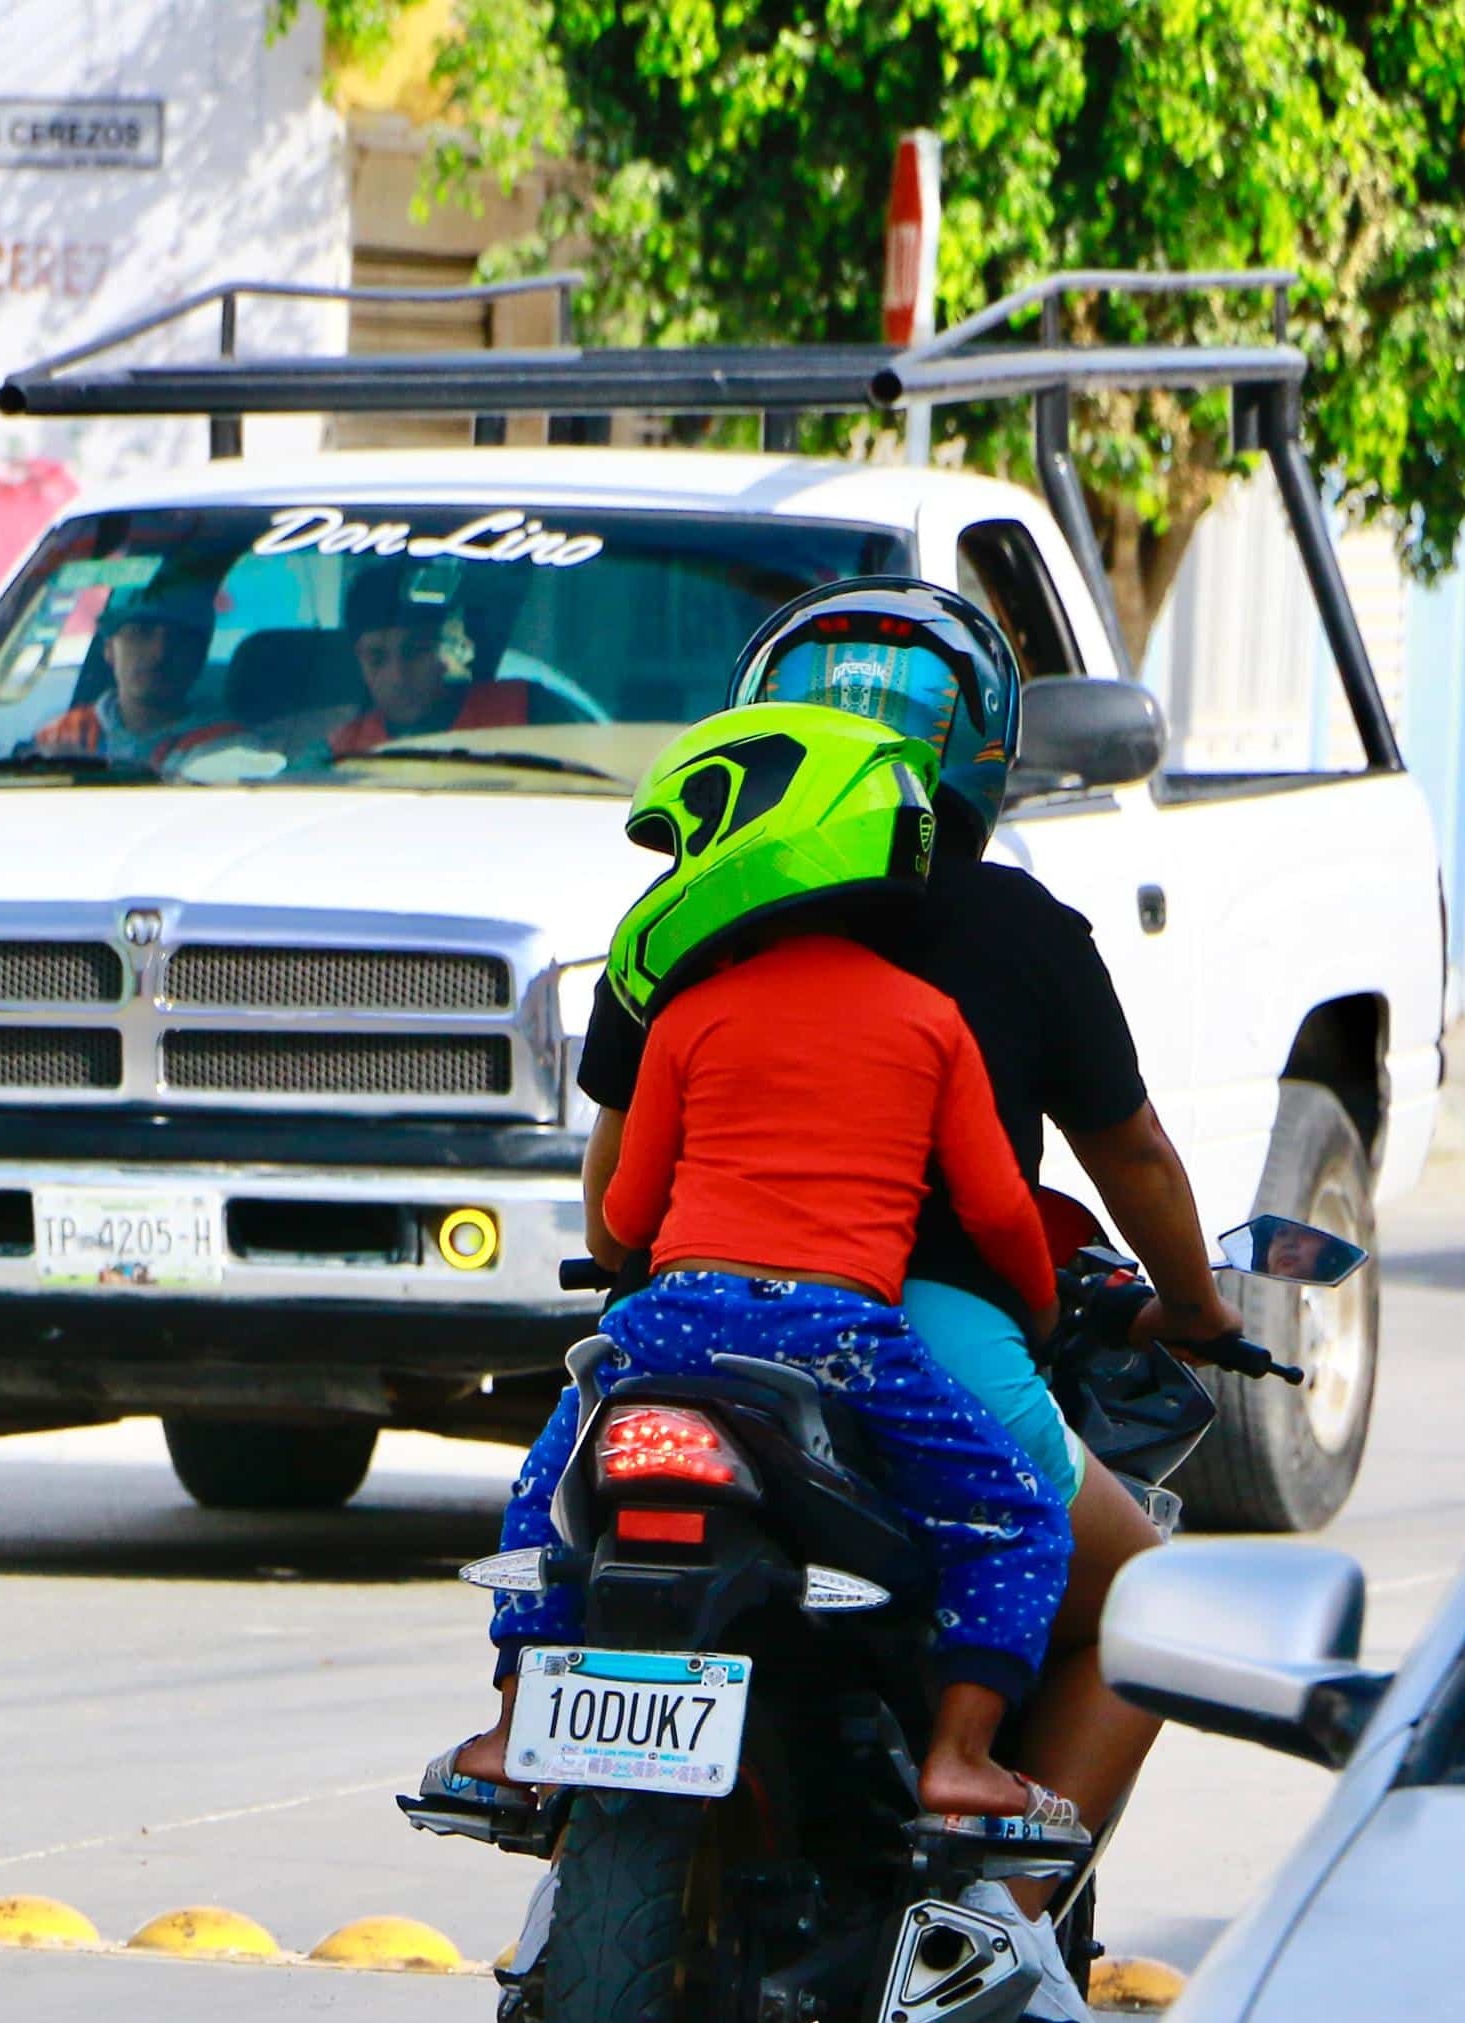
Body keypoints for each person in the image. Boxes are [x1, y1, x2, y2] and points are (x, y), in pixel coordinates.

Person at [574, 580, 1241, 1854]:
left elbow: (614, 1213)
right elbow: (1128, 1160)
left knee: (555, 1521)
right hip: (918, 1333)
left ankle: (529, 1749)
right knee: (1143, 1597)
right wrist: (1194, 1305)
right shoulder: (1009, 932)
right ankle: (993, 1910)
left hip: (675, 1330)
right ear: (980, 751)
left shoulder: (675, 934)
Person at [447, 694, 1075, 1836]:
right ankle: (959, 1756)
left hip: (671, 1321)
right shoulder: (927, 1018)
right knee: (1016, 1515)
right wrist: (1037, 1308)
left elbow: (623, 1220)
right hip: (836, 1335)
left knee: (549, 1497)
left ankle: (510, 1725)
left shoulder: (689, 1012)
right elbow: (997, 1209)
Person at [321, 564, 538, 756]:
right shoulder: (339, 752)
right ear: (358, 663)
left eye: (415, 652)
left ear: (444, 649)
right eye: (376, 660)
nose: (397, 677)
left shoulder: (524, 710)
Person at [31, 586, 233, 768]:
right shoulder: (66, 735)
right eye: (141, 632)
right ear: (109, 648)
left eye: (178, 638)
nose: (159, 652)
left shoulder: (228, 749)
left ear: (199, 656)